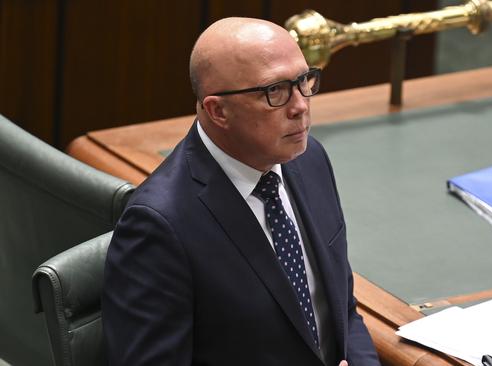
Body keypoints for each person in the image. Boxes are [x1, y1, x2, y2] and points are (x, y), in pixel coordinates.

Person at [102, 17, 381, 366]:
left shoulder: (310, 160)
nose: (300, 106)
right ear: (218, 111)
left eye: (304, 81)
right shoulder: (160, 227)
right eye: (274, 91)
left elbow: (343, 310)